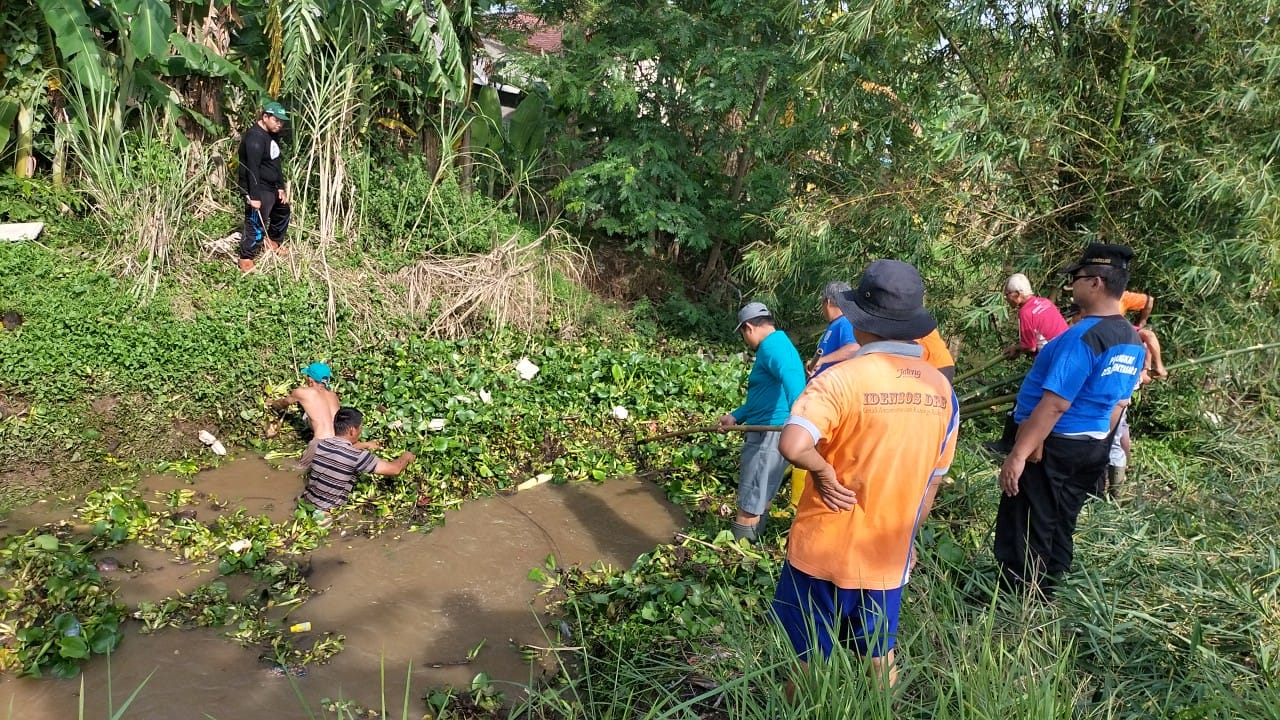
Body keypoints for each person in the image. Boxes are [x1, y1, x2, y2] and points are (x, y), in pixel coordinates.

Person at [773, 259, 958, 689]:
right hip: (887, 555)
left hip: (823, 551)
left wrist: (820, 471)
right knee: (879, 657)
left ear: (861, 321)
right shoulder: (942, 391)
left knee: (805, 658)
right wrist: (907, 542)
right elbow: (931, 484)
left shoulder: (841, 379)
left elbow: (793, 444)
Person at [994, 243, 1146, 594]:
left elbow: (1054, 405)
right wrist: (1099, 444)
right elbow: (1119, 404)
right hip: (1091, 443)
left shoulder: (1083, 337)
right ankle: (1054, 580)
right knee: (1062, 517)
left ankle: (1022, 595)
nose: (1070, 286)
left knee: (1029, 520)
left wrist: (1019, 453)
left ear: (1095, 283)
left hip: (1053, 443)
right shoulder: (1131, 339)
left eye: (1075, 279)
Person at [716, 302, 806, 542]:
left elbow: (794, 382)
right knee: (761, 492)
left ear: (748, 328)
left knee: (751, 496)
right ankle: (755, 546)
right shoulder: (776, 345)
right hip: (767, 429)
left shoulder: (773, 347)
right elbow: (764, 396)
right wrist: (735, 416)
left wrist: (799, 421)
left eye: (743, 335)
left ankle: (739, 552)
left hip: (769, 434)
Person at [300, 407, 416, 514]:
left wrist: (365, 444)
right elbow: (394, 469)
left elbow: (341, 452)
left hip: (306, 503)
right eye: (360, 428)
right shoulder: (356, 457)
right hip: (326, 511)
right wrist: (406, 456)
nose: (360, 432)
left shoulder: (322, 444)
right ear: (352, 430)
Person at [271, 362, 379, 467]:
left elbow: (282, 404)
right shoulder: (333, 396)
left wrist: (271, 404)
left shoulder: (302, 392)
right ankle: (364, 445)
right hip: (339, 442)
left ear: (310, 380)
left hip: (320, 443)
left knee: (298, 469)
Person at [236, 101, 291, 273]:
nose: (279, 124)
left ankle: (272, 243)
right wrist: (254, 197)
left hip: (271, 185)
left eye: (282, 121)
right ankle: (246, 258)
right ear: (265, 117)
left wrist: (280, 187)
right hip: (258, 187)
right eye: (276, 120)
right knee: (256, 220)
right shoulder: (255, 138)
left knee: (283, 211)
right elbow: (252, 168)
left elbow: (275, 162)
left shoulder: (272, 135)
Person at [1002, 273, 1069, 359]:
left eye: (1007, 294)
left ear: (1017, 294)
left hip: (1055, 356)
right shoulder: (1045, 301)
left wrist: (1015, 348)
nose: (1006, 298)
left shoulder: (1025, 313)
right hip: (1068, 346)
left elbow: (1030, 347)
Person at [808, 282, 859, 378]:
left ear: (827, 302)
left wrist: (822, 360)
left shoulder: (845, 321)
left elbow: (853, 348)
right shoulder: (836, 324)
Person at [1120, 289, 1168, 379]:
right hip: (1108, 334)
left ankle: (1153, 368)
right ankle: (1146, 371)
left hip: (1122, 329)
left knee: (1148, 337)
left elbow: (1149, 301)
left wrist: (1142, 321)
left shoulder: (1122, 297)